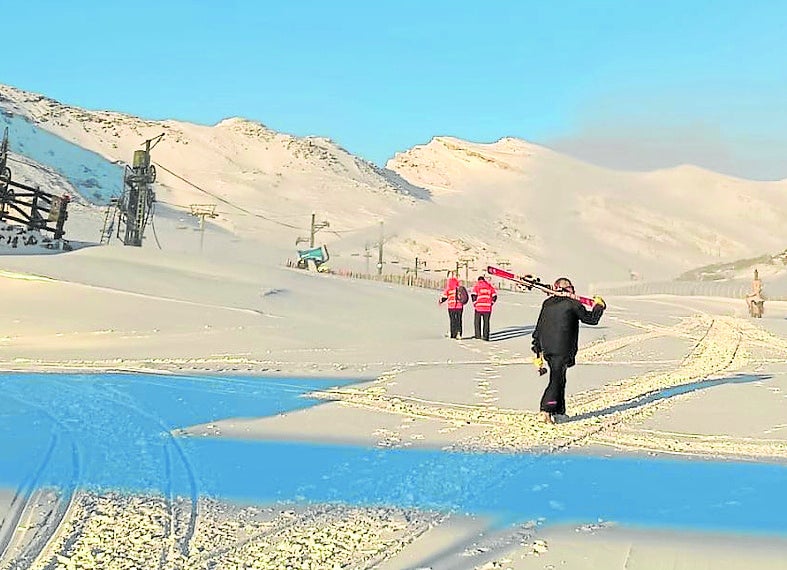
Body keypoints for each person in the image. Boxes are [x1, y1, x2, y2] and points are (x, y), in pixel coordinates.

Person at [531, 277, 606, 424]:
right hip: (562, 347)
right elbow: (591, 319)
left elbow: (539, 328)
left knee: (560, 378)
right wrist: (599, 306)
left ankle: (559, 411)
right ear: (567, 288)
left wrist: (537, 348)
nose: (574, 290)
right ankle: (546, 409)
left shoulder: (547, 303)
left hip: (547, 348)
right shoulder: (572, 303)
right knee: (557, 379)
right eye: (572, 287)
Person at [439, 274, 468, 339]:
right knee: (459, 320)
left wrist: (440, 301)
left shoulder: (449, 289)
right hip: (460, 307)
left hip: (451, 307)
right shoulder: (459, 288)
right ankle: (459, 333)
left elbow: (444, 297)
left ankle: (453, 334)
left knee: (452, 320)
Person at [471, 275, 497, 340]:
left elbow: (473, 296)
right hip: (488, 307)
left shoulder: (477, 286)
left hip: (478, 307)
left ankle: (478, 335)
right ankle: (486, 336)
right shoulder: (489, 287)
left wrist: (475, 303)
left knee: (477, 322)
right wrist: (491, 303)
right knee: (486, 322)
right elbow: (494, 296)